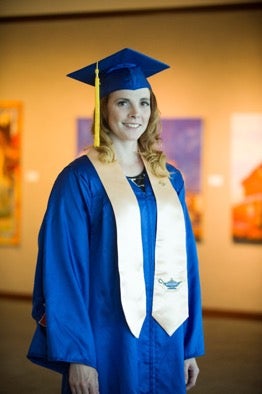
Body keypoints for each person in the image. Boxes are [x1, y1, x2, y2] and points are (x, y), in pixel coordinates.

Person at [27, 48, 204, 394]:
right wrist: (78, 355)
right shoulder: (79, 180)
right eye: (123, 102)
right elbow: (62, 269)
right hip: (106, 338)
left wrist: (188, 344)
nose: (135, 113)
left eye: (143, 103)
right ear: (104, 108)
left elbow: (186, 265)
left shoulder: (170, 179)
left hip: (165, 335)